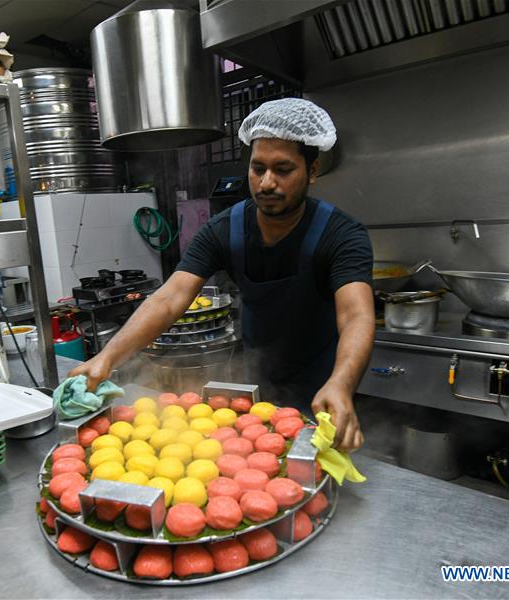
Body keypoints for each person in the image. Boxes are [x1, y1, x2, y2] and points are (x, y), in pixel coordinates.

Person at [69, 98, 374, 450]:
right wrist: (107, 357)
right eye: (258, 168)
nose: (267, 182)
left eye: (283, 169)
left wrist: (341, 384)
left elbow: (356, 315)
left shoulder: (341, 233)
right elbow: (169, 299)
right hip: (255, 385)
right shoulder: (223, 230)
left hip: (326, 385)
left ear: (313, 170)